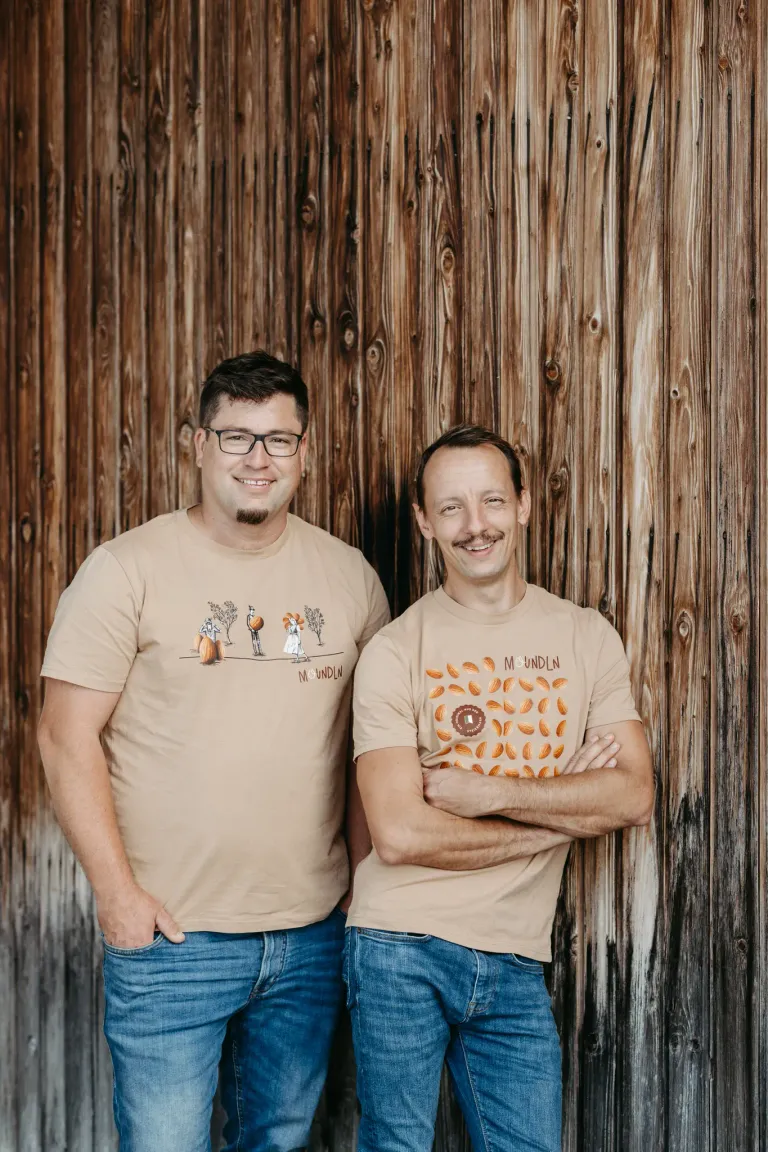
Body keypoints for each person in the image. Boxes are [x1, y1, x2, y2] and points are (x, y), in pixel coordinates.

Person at [37, 352, 389, 1151]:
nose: (257, 459)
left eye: (278, 439)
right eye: (235, 436)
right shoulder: (126, 571)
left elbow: (371, 749)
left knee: (279, 1141)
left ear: (305, 451)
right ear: (196, 444)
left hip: (307, 935)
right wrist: (118, 896)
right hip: (171, 937)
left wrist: (360, 883)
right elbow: (63, 738)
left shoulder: (351, 580)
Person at [346, 424, 653, 1152]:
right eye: (449, 508)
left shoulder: (586, 637)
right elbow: (399, 834)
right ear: (424, 521)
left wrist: (487, 790)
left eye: (490, 501)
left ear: (522, 504)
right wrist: (562, 813)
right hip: (398, 947)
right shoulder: (395, 652)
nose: (474, 525)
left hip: (516, 959)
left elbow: (633, 795)